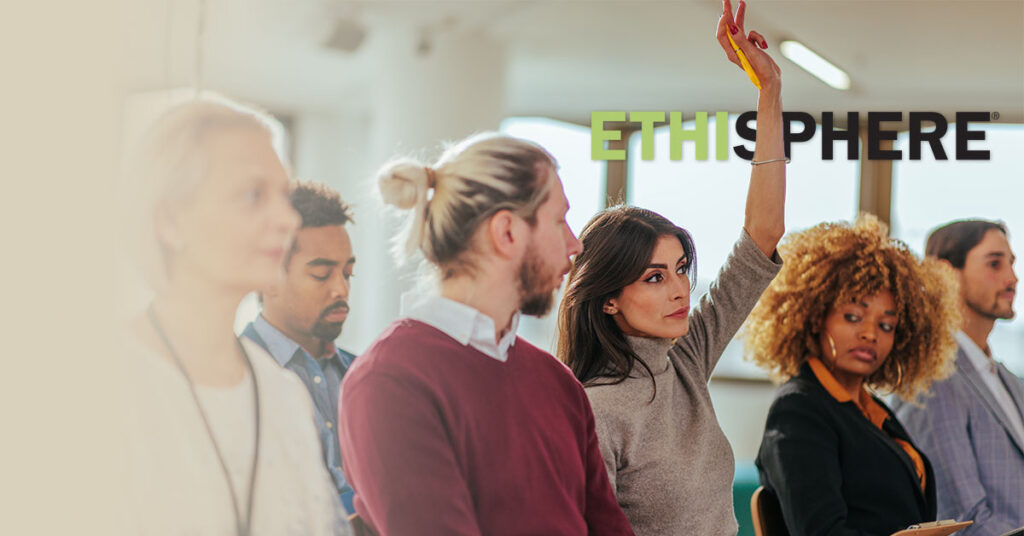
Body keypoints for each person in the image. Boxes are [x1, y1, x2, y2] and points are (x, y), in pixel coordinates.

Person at [555, 1, 784, 534]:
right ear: (607, 299)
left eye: (680, 268)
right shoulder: (596, 411)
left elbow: (763, 233)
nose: (680, 289)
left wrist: (769, 92)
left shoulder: (684, 359)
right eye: (654, 277)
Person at [338, 133, 634, 535]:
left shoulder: (558, 383)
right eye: (558, 220)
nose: (575, 244)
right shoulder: (390, 382)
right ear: (507, 231)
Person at [119, 97, 347, 535]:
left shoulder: (284, 394)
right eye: (252, 195)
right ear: (169, 220)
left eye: (284, 196)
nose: (287, 219)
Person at [744, 215, 961, 536]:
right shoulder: (798, 411)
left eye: (886, 325)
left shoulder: (874, 412)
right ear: (816, 317)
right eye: (853, 316)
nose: (870, 334)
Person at [893, 220, 1023, 536]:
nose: (1012, 278)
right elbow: (964, 522)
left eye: (1011, 263)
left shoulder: (1009, 381)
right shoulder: (931, 378)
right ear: (945, 273)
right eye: (994, 263)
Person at [241, 180, 359, 513]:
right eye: (322, 274)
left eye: (348, 273)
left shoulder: (367, 376)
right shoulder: (232, 381)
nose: (341, 289)